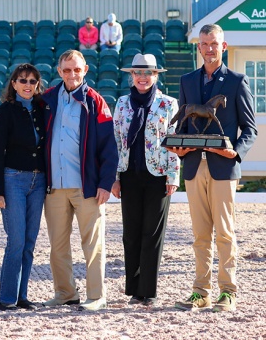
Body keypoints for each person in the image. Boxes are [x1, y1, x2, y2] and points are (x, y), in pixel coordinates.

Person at [169, 24, 257, 312]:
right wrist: (180, 151)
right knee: (200, 235)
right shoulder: (186, 80)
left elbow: (250, 129)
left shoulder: (236, 81)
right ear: (198, 47)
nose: (209, 48)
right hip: (194, 168)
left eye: (214, 43)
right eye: (204, 44)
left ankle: (228, 291)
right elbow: (183, 122)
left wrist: (236, 151)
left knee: (225, 234)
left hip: (223, 167)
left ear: (224, 46)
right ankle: (200, 292)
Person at [41, 49, 118, 311]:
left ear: (85, 70)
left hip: (87, 187)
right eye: (66, 70)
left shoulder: (96, 101)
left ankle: (96, 297)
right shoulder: (47, 99)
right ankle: (65, 293)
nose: (72, 74)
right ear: (59, 71)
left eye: (76, 69)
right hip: (55, 188)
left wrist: (105, 183)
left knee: (92, 245)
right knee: (57, 246)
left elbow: (109, 146)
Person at [111, 53, 180, 306]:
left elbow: (173, 141)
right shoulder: (121, 103)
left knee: (152, 234)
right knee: (131, 234)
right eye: (137, 73)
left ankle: (148, 291)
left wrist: (173, 175)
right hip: (129, 175)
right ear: (131, 75)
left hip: (158, 176)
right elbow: (117, 141)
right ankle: (133, 289)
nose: (142, 77)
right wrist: (115, 177)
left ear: (155, 76)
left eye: (147, 73)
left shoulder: (169, 104)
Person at [0, 63, 46, 311]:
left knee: (30, 241)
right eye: (22, 80)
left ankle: (22, 296)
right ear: (13, 84)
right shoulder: (5, 111)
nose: (27, 85)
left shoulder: (42, 109)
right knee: (16, 241)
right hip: (12, 179)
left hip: (39, 181)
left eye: (32, 81)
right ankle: (6, 298)